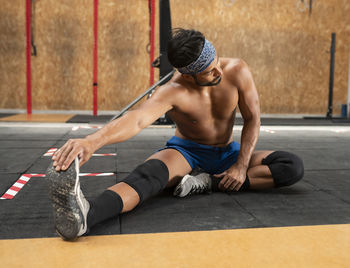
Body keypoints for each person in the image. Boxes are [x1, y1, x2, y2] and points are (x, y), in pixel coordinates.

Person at [46, 28, 304, 240]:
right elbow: (136, 120)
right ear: (189, 75)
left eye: (217, 65)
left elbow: (252, 119)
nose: (219, 73)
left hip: (228, 153)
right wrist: (92, 141)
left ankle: (207, 182)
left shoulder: (238, 70)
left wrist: (241, 165)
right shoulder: (172, 91)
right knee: (148, 177)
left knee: (291, 166)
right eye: (209, 72)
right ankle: (85, 217)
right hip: (186, 152)